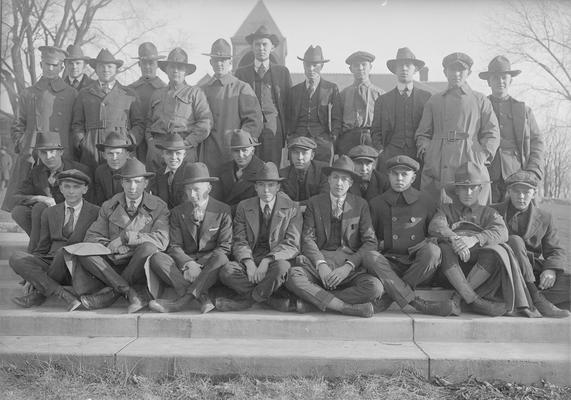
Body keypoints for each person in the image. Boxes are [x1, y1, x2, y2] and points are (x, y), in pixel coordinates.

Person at [285, 156, 383, 318]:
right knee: (293, 276)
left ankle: (313, 302)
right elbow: (307, 238)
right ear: (328, 180)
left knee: (375, 287)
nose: (339, 183)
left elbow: (370, 242)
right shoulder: (314, 203)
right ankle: (343, 307)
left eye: (344, 179)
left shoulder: (360, 205)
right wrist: (321, 264)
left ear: (351, 183)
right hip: (320, 265)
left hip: (348, 267)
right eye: (335, 178)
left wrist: (349, 266)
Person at [71, 158, 169, 313]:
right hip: (114, 261)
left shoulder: (159, 206)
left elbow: (161, 240)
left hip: (140, 264)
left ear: (146, 183)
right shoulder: (109, 205)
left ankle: (113, 293)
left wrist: (125, 239)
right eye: (128, 182)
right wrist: (111, 246)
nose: (132, 187)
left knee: (148, 248)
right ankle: (128, 291)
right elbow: (92, 236)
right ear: (122, 183)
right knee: (82, 251)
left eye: (137, 182)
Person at [364, 155, 457, 316]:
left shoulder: (426, 201)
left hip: (417, 266)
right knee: (370, 256)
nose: (399, 178)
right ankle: (418, 303)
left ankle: (389, 297)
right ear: (389, 175)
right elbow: (370, 239)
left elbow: (434, 232)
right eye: (395, 174)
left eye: (404, 174)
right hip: (388, 264)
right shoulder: (376, 203)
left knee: (433, 251)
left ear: (413, 177)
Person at [147, 162, 232, 313]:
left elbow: (224, 247)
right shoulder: (177, 212)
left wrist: (198, 267)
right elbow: (174, 246)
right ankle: (202, 297)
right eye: (188, 190)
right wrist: (189, 264)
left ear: (209, 188)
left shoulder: (223, 211)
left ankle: (181, 302)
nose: (192, 195)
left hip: (209, 265)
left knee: (221, 258)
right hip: (185, 264)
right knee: (157, 258)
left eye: (196, 190)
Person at [416, 52, 500, 205]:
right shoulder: (434, 101)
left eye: (461, 70)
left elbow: (492, 133)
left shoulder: (480, 100)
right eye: (452, 70)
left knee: (471, 211)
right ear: (445, 72)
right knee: (436, 211)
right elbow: (423, 133)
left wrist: (482, 156)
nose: (456, 74)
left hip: (470, 159)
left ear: (468, 72)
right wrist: (429, 153)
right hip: (438, 163)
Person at [9, 169, 99, 311]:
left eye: (76, 187)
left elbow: (95, 245)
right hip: (51, 262)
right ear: (61, 188)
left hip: (76, 266)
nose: (71, 191)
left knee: (62, 253)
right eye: (67, 186)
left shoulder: (96, 212)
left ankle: (39, 293)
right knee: (16, 257)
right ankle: (63, 294)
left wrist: (38, 280)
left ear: (85, 189)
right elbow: (42, 248)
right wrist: (31, 276)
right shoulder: (50, 212)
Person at [428, 162, 509, 316]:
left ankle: (458, 299)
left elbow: (502, 232)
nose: (468, 192)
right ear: (456, 190)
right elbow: (435, 226)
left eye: (473, 188)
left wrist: (474, 239)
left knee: (493, 252)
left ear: (480, 190)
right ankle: (474, 301)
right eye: (463, 188)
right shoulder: (446, 209)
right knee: (444, 248)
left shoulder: (489, 213)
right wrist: (456, 239)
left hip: (480, 273)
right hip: (448, 272)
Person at [219, 162, 301, 312]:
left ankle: (247, 301)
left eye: (271, 185)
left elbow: (292, 244)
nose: (266, 190)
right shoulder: (244, 206)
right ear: (255, 187)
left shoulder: (291, 208)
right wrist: (249, 263)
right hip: (251, 257)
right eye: (261, 185)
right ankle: (270, 300)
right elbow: (239, 240)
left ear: (278, 187)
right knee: (227, 271)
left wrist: (267, 260)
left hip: (275, 260)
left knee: (282, 268)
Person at [3, 46, 77, 212]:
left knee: (63, 201)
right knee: (28, 205)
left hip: (61, 154)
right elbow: (17, 124)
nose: (50, 68)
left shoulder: (72, 93)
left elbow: (76, 125)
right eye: (46, 64)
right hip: (33, 154)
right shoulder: (28, 93)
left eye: (55, 65)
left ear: (62, 67)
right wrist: (24, 144)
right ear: (41, 64)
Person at [492, 171, 569, 317]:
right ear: (509, 191)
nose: (521, 196)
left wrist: (550, 270)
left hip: (532, 271)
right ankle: (536, 298)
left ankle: (520, 297)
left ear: (534, 193)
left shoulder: (545, 217)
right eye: (516, 191)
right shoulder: (494, 211)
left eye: (526, 192)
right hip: (502, 270)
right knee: (515, 241)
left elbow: (555, 250)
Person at [11, 132, 91, 252]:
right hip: (47, 217)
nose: (48, 156)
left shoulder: (79, 170)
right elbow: (16, 197)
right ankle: (42, 246)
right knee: (19, 211)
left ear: (61, 152)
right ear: (38, 154)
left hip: (73, 216)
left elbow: (90, 200)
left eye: (52, 151)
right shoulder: (36, 172)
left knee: (39, 208)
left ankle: (35, 251)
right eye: (44, 152)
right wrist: (41, 198)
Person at [479, 56, 544, 202]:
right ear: (489, 81)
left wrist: (533, 171)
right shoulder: (480, 107)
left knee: (516, 221)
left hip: (517, 176)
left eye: (504, 77)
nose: (500, 81)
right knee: (487, 219)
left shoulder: (524, 111)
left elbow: (537, 143)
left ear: (511, 80)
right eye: (495, 78)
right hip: (486, 176)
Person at [71, 49, 144, 170]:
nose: (105, 70)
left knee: (120, 182)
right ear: (96, 69)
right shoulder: (84, 93)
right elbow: (77, 124)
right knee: (92, 181)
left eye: (110, 66)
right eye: (101, 66)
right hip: (91, 147)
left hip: (120, 147)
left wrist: (129, 141)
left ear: (116, 69)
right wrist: (83, 142)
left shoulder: (129, 94)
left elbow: (139, 124)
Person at [200, 38, 262, 175]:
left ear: (230, 62)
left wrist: (240, 145)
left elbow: (254, 121)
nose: (220, 64)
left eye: (224, 60)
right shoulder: (201, 90)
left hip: (232, 155)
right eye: (216, 60)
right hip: (207, 156)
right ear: (211, 62)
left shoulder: (242, 88)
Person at [145, 47, 212, 172]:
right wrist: (150, 141)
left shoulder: (195, 93)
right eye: (172, 67)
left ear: (186, 71)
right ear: (166, 70)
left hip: (183, 150)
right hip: (158, 149)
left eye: (180, 68)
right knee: (156, 187)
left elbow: (205, 123)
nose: (175, 71)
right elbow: (148, 123)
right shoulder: (157, 94)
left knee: (183, 187)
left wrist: (188, 142)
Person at [371, 47, 431, 186]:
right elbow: (375, 130)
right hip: (390, 153)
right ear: (395, 70)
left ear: (415, 69)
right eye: (400, 65)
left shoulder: (427, 98)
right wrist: (381, 151)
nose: (404, 69)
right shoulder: (383, 100)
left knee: (417, 193)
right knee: (388, 190)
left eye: (408, 65)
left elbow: (431, 128)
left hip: (418, 155)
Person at [234, 25, 292, 166]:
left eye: (265, 44)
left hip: (273, 127)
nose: (261, 48)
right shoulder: (241, 73)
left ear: (272, 47)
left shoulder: (282, 72)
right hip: (249, 127)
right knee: (249, 165)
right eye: (257, 44)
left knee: (271, 167)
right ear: (252, 47)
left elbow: (289, 103)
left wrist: (288, 132)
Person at [287, 45, 339, 163]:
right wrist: (290, 135)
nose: (310, 69)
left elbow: (337, 117)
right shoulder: (294, 91)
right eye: (307, 65)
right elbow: (288, 116)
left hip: (322, 139)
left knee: (323, 173)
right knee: (297, 172)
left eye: (314, 65)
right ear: (303, 66)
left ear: (322, 66)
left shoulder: (331, 88)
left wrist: (332, 138)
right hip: (298, 138)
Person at [333, 51, 383, 156]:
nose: (360, 68)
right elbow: (336, 121)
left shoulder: (380, 94)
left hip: (371, 138)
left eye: (364, 65)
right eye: (356, 65)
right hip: (348, 139)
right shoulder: (343, 94)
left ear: (371, 67)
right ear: (351, 69)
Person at [128, 42, 167, 164]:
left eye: (151, 63)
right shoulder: (129, 90)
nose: (148, 67)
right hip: (134, 145)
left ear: (157, 65)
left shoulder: (166, 90)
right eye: (144, 63)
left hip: (157, 145)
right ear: (139, 64)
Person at [211, 129, 265, 212]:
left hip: (249, 216)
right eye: (236, 151)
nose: (240, 155)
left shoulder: (263, 170)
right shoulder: (223, 169)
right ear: (231, 152)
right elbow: (216, 198)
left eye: (244, 150)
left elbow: (257, 203)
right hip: (224, 216)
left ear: (252, 151)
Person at [278, 136, 328, 211]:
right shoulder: (283, 174)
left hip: (315, 213)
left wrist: (297, 206)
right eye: (295, 153)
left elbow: (324, 197)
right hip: (291, 215)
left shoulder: (322, 171)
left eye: (304, 153)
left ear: (312, 155)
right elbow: (281, 198)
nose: (300, 157)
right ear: (290, 155)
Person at [149, 133, 191, 209]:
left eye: (178, 153)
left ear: (184, 155)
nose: (173, 157)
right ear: (163, 154)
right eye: (169, 153)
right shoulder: (159, 174)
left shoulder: (190, 172)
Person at [93, 132, 134, 205]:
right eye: (110, 153)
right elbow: (100, 201)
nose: (114, 158)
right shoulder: (100, 172)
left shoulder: (135, 171)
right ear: (104, 155)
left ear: (127, 154)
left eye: (118, 153)